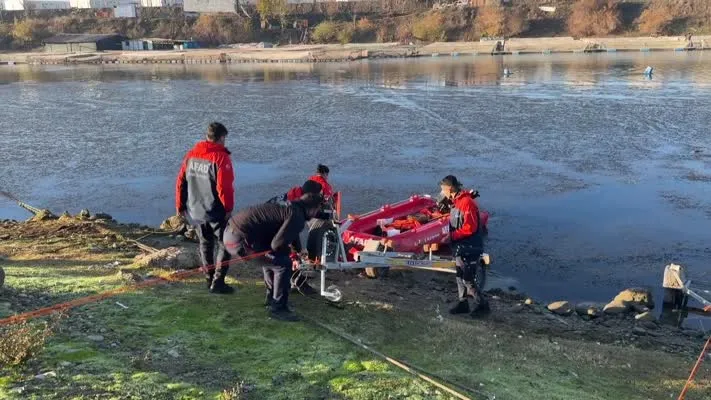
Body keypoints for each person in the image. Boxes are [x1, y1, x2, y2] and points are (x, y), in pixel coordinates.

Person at [223, 193, 325, 321]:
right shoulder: (297, 216)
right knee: (283, 264)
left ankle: (272, 297)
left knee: (272, 258)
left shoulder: (292, 208)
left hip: (231, 233)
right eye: (316, 211)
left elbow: (291, 233)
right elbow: (277, 244)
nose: (316, 214)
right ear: (311, 209)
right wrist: (291, 255)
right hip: (240, 241)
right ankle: (278, 308)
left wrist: (297, 251)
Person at [176, 122, 235, 294]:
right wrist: (228, 208)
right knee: (226, 244)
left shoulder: (191, 155)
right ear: (221, 138)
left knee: (205, 244)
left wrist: (180, 206)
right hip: (215, 210)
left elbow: (181, 182)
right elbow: (224, 188)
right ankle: (218, 282)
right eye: (225, 138)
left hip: (196, 210)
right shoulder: (220, 158)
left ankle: (209, 278)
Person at [439, 175, 490, 318]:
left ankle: (482, 305)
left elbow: (469, 228)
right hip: (459, 246)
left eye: (443, 189)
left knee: (467, 278)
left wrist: (451, 236)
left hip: (470, 246)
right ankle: (463, 303)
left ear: (449, 188)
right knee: (459, 275)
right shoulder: (456, 202)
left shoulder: (466, 203)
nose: (442, 192)